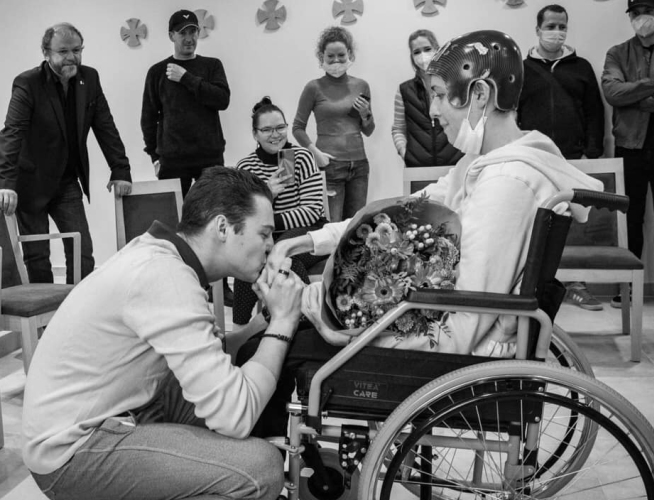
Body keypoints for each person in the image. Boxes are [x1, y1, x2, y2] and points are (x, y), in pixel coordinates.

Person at [241, 30, 603, 439]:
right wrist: (306, 241)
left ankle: (265, 458)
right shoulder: (484, 165)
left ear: (479, 94)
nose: (432, 110)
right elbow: (406, 208)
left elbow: (467, 319)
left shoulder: (507, 183)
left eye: (439, 95)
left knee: (280, 347)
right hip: (445, 318)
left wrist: (344, 320)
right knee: (292, 320)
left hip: (457, 354)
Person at [22, 167, 305, 500]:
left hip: (126, 405)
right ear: (223, 228)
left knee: (251, 384)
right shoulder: (165, 277)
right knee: (260, 469)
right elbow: (235, 415)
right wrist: (283, 324)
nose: (271, 245)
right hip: (71, 450)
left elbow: (210, 360)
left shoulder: (165, 258)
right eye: (265, 234)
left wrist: (261, 324)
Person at [0, 22, 132, 284]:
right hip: (31, 183)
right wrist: (4, 183)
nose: (71, 57)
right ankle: (46, 311)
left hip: (66, 181)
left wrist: (120, 169)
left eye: (77, 50)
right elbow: (12, 133)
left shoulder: (89, 78)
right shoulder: (28, 83)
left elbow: (105, 126)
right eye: (63, 51)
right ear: (46, 53)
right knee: (37, 257)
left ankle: (77, 305)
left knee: (82, 252)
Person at [518, 4, 607, 311]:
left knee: (577, 221)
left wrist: (592, 152)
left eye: (562, 26)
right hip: (534, 159)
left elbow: (595, 111)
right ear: (538, 30)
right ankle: (536, 286)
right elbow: (513, 113)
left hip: (573, 157)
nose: (557, 32)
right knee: (538, 221)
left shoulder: (580, 67)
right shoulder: (522, 69)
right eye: (551, 26)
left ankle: (577, 286)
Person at [141, 9, 233, 305]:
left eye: (193, 31)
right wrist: (154, 155)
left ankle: (219, 287)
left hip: (209, 156)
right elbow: (148, 117)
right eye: (183, 32)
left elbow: (222, 100)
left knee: (216, 222)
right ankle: (178, 287)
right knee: (174, 226)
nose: (189, 37)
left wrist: (186, 78)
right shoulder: (158, 72)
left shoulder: (210, 66)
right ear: (172, 36)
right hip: (173, 159)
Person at [233, 96, 327, 326]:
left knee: (281, 251)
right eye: (266, 130)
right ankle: (244, 327)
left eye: (280, 128)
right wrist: (267, 194)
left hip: (308, 234)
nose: (275, 135)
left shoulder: (302, 157)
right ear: (255, 134)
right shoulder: (246, 167)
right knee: (255, 259)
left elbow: (311, 212)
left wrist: (267, 223)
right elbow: (244, 217)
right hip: (268, 239)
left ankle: (298, 321)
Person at [293, 26, 375, 222]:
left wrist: (365, 114)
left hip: (359, 165)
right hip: (330, 165)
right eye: (330, 56)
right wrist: (315, 153)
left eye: (341, 55)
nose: (336, 61)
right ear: (321, 56)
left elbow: (369, 130)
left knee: (356, 227)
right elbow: (297, 128)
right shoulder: (313, 87)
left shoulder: (361, 85)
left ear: (350, 54)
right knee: (332, 226)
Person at [602, 0, 654, 308]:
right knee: (630, 219)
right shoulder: (617, 53)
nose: (642, 18)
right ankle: (627, 289)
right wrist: (650, 86)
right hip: (631, 146)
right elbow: (613, 93)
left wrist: (635, 94)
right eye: (635, 13)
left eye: (648, 11)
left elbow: (625, 93)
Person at [392, 29, 463, 168]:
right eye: (416, 52)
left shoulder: (454, 85)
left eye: (427, 49)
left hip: (455, 166)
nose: (422, 55)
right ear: (412, 56)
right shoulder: (404, 90)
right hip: (417, 169)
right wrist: (405, 153)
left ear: (437, 49)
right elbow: (398, 129)